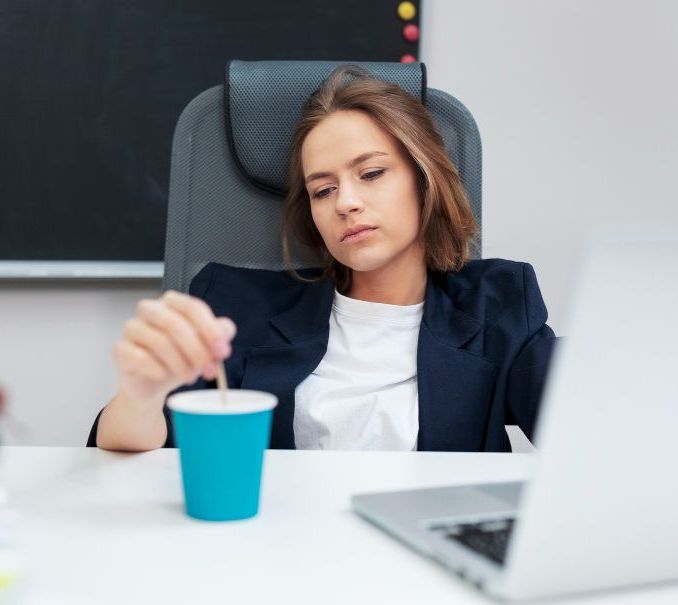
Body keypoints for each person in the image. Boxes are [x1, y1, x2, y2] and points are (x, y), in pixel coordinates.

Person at [89, 65, 557, 453]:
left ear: (424, 179)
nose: (345, 203)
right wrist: (140, 394)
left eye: (371, 173)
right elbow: (131, 450)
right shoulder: (233, 305)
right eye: (323, 189)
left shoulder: (497, 306)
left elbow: (588, 430)